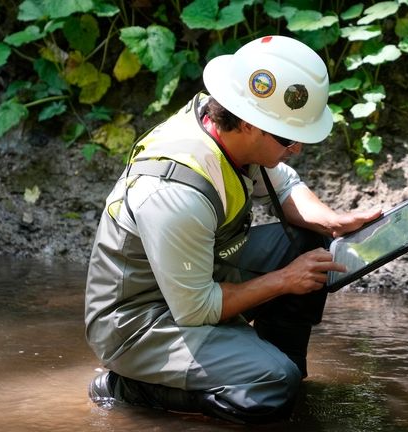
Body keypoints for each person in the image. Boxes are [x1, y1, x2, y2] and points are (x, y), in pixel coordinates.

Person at [84, 35, 381, 424]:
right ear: (247, 124)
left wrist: (331, 221)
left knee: (309, 245)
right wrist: (283, 281)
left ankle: (273, 369)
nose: (296, 149)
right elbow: (196, 309)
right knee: (272, 387)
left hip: (194, 277)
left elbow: (286, 184)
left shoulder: (223, 131)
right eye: (288, 138)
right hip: (140, 322)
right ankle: (129, 387)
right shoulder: (177, 192)